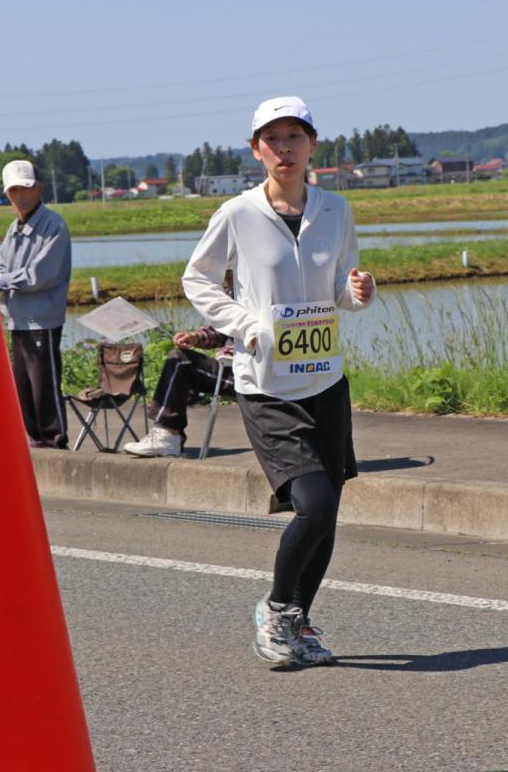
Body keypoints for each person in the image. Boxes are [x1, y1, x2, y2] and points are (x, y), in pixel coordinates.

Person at [183, 96, 375, 666]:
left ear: (312, 144)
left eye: (295, 136)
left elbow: (340, 286)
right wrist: (245, 323)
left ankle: (300, 624)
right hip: (267, 385)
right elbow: (198, 280)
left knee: (329, 511)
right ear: (256, 150)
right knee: (312, 504)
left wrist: (358, 293)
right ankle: (275, 608)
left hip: (325, 379)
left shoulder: (336, 210)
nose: (284, 147)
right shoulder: (237, 214)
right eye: (272, 138)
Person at [0, 159, 72, 449]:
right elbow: (0, 267)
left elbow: (42, 274)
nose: (20, 196)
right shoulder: (14, 228)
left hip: (42, 319)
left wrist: (3, 281)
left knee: (44, 385)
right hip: (18, 319)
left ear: (39, 188)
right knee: (23, 387)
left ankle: (55, 439)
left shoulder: (53, 225)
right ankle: (36, 439)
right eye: (13, 190)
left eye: (25, 188)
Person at [120, 323, 235, 458]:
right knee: (178, 359)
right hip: (227, 367)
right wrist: (195, 337)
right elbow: (225, 327)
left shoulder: (261, 305)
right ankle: (168, 434)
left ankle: (169, 436)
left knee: (180, 361)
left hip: (245, 374)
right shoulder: (240, 303)